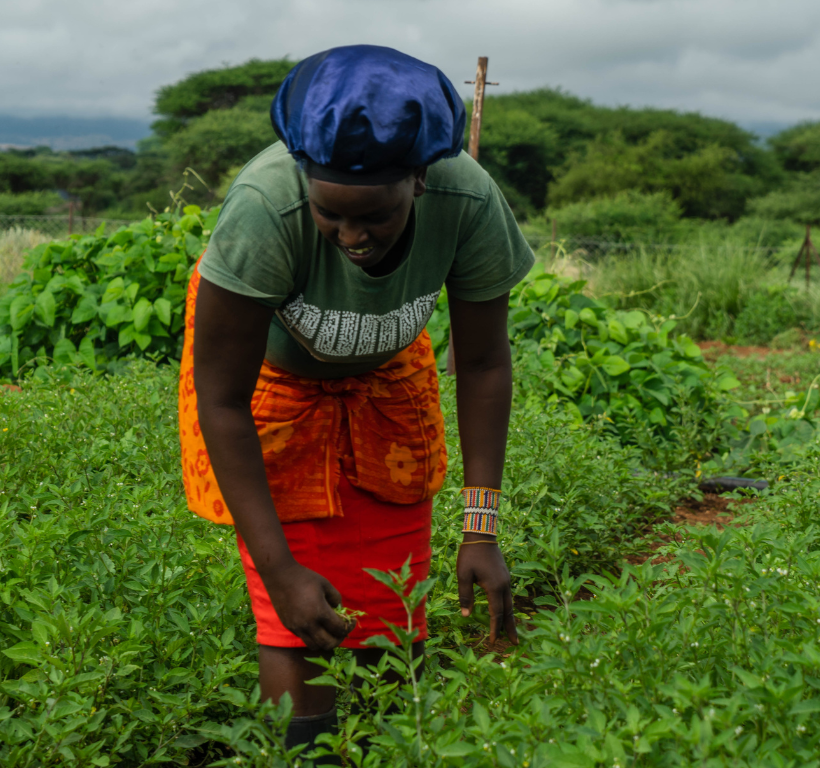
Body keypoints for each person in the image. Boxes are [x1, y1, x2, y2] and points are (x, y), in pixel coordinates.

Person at [176, 45, 532, 758]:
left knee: (392, 612)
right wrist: (278, 570)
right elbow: (222, 400)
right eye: (330, 216)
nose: (351, 238)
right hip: (275, 392)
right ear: (303, 183)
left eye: (374, 218)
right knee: (300, 625)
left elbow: (487, 362)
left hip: (387, 385)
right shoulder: (263, 209)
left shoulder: (466, 200)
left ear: (421, 183)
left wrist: (481, 528)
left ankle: (383, 747)